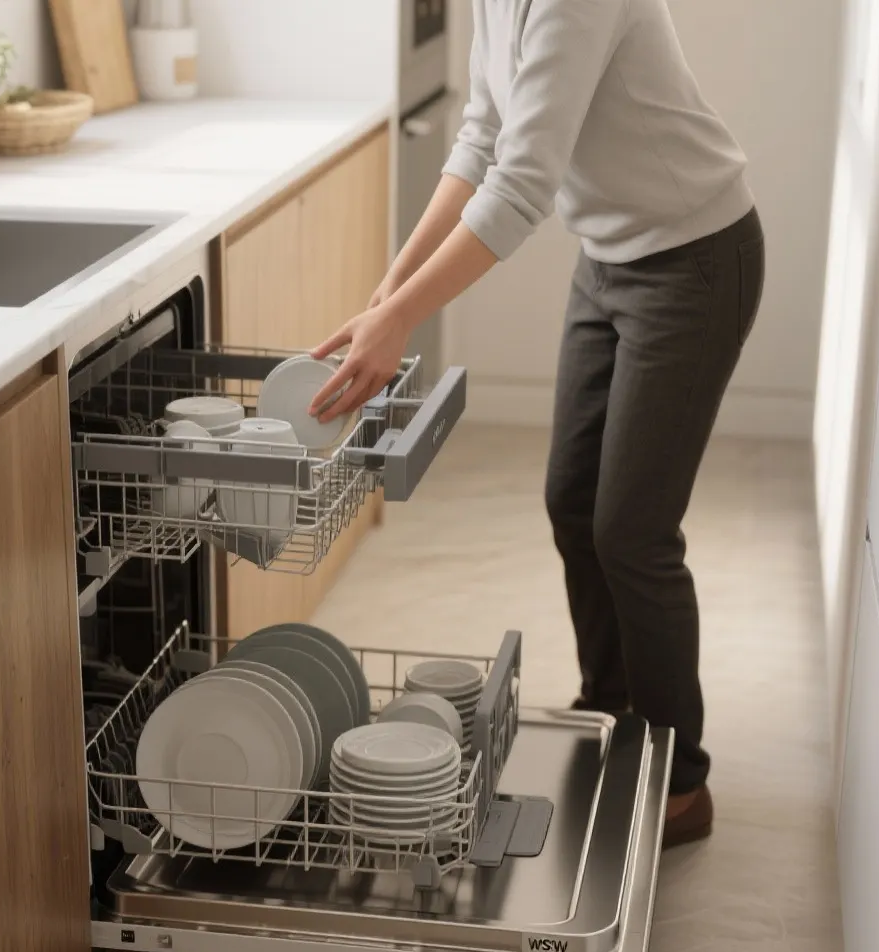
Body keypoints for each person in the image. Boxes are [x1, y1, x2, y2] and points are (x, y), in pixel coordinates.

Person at [307, 0, 765, 846]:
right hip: (610, 260)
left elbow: (522, 185)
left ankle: (681, 780)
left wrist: (403, 317)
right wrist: (390, 291)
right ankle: (612, 706)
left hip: (694, 262)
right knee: (572, 502)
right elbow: (481, 136)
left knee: (632, 528)